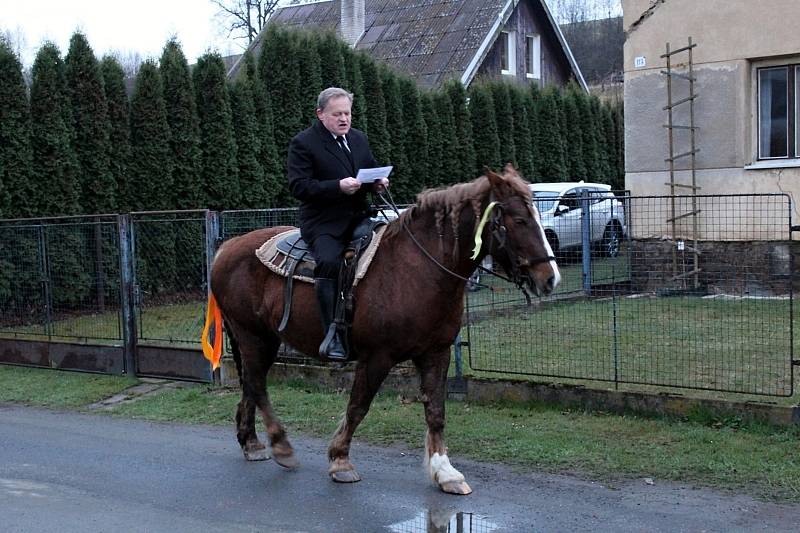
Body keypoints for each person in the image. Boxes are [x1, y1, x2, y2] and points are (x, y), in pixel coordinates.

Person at [287, 87, 389, 361]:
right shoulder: (304, 143)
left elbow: (369, 170)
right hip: (323, 223)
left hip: (359, 217)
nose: (344, 119)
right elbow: (299, 186)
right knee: (330, 262)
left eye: (347, 113)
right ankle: (332, 334)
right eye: (337, 114)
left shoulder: (358, 139)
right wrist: (336, 187)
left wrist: (378, 183)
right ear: (321, 115)